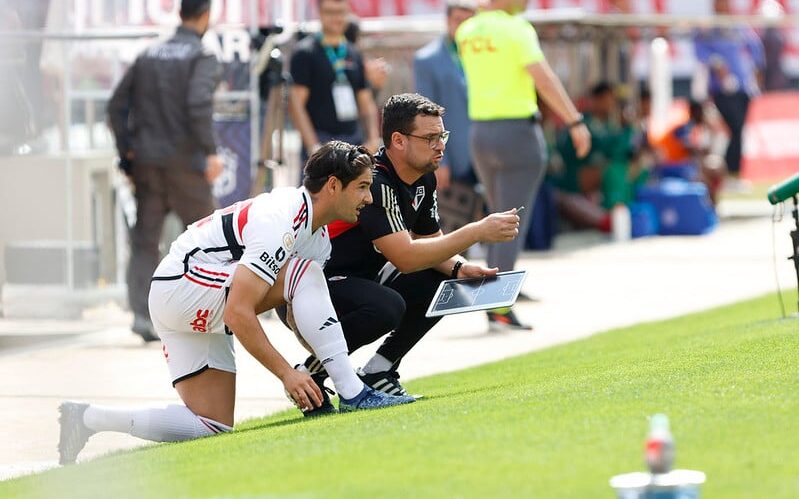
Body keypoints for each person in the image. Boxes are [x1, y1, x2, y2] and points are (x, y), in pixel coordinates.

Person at [57, 142, 415, 465]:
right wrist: (289, 374)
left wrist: (313, 368)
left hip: (181, 298)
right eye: (363, 187)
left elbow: (297, 312)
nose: (368, 199)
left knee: (211, 425)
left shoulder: (317, 236)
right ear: (334, 185)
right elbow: (238, 311)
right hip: (182, 287)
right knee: (303, 273)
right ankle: (353, 392)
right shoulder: (283, 216)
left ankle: (88, 418)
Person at [281, 93, 521, 407]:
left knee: (441, 280)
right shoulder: (374, 181)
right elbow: (406, 257)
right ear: (398, 140)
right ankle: (312, 372)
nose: (440, 145)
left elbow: (430, 242)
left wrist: (461, 269)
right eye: (430, 137)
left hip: (357, 280)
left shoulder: (424, 179)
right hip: (308, 286)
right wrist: (477, 231)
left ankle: (379, 370)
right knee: (386, 307)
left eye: (442, 135)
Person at [456, 0, 590, 330]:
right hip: (517, 132)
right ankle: (497, 306)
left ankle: (497, 291)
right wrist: (574, 121)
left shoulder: (467, 30)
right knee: (511, 221)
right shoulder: (516, 29)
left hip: (481, 132)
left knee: (496, 216)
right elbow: (543, 79)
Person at [107, 0, 224, 342]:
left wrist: (127, 154)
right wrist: (210, 152)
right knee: (209, 238)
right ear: (205, 16)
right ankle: (212, 308)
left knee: (145, 240)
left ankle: (142, 316)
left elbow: (116, 106)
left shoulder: (148, 55)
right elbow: (197, 104)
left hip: (147, 164)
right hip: (185, 164)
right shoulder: (201, 56)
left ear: (180, 14)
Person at [413, 0, 479, 234]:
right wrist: (441, 160)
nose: (463, 27)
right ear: (448, 20)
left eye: (469, 21)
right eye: (458, 20)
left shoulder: (483, 55)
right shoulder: (427, 59)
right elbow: (426, 115)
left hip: (484, 149)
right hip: (454, 153)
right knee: (453, 225)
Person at [288, 0, 381, 162]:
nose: (336, 18)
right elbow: (296, 104)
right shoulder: (305, 53)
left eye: (341, 12)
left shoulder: (353, 53)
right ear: (320, 14)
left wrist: (373, 139)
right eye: (330, 12)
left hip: (353, 140)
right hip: (321, 142)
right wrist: (312, 145)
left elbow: (366, 102)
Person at [693, 0, 764, 189]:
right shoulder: (708, 29)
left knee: (739, 129)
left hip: (743, 88)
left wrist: (756, 73)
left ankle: (734, 173)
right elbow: (700, 51)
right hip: (722, 90)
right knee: (732, 128)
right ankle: (724, 173)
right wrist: (716, 63)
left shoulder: (738, 25)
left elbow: (755, 47)